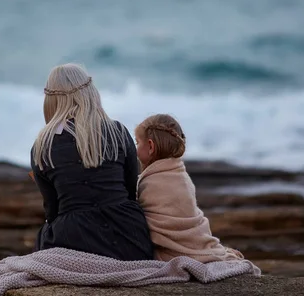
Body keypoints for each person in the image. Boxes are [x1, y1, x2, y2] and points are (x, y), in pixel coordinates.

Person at [31, 63, 153, 261]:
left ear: (51, 99)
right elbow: (132, 191)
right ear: (90, 93)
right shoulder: (118, 132)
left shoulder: (42, 146)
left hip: (73, 243)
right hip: (130, 240)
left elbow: (52, 211)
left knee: (43, 234)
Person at [135, 113, 244, 263]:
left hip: (174, 250)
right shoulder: (182, 176)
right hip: (195, 241)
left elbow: (143, 221)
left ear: (151, 146)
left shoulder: (151, 182)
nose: (135, 149)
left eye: (137, 143)